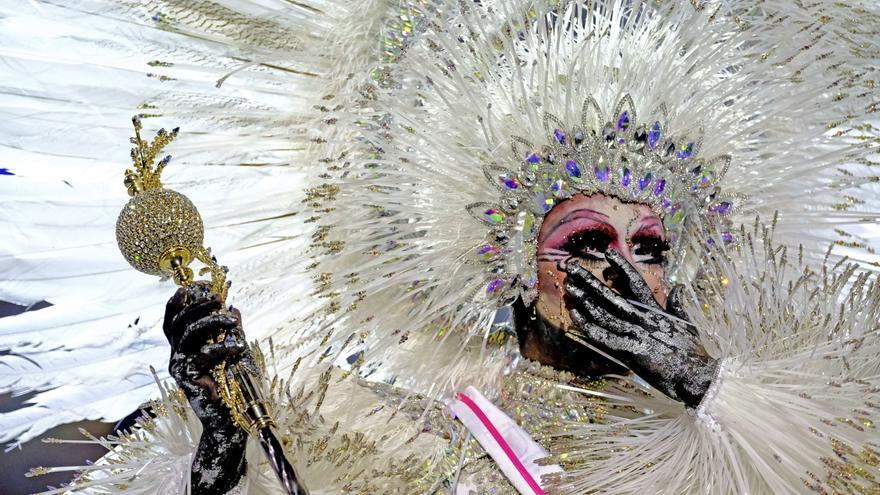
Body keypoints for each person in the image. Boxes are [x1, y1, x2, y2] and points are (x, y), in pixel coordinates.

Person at [3, 1, 879, 494]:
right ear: (516, 272)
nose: (623, 267)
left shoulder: (792, 409)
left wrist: (705, 387)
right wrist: (225, 448)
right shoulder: (395, 434)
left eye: (649, 245)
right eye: (584, 240)